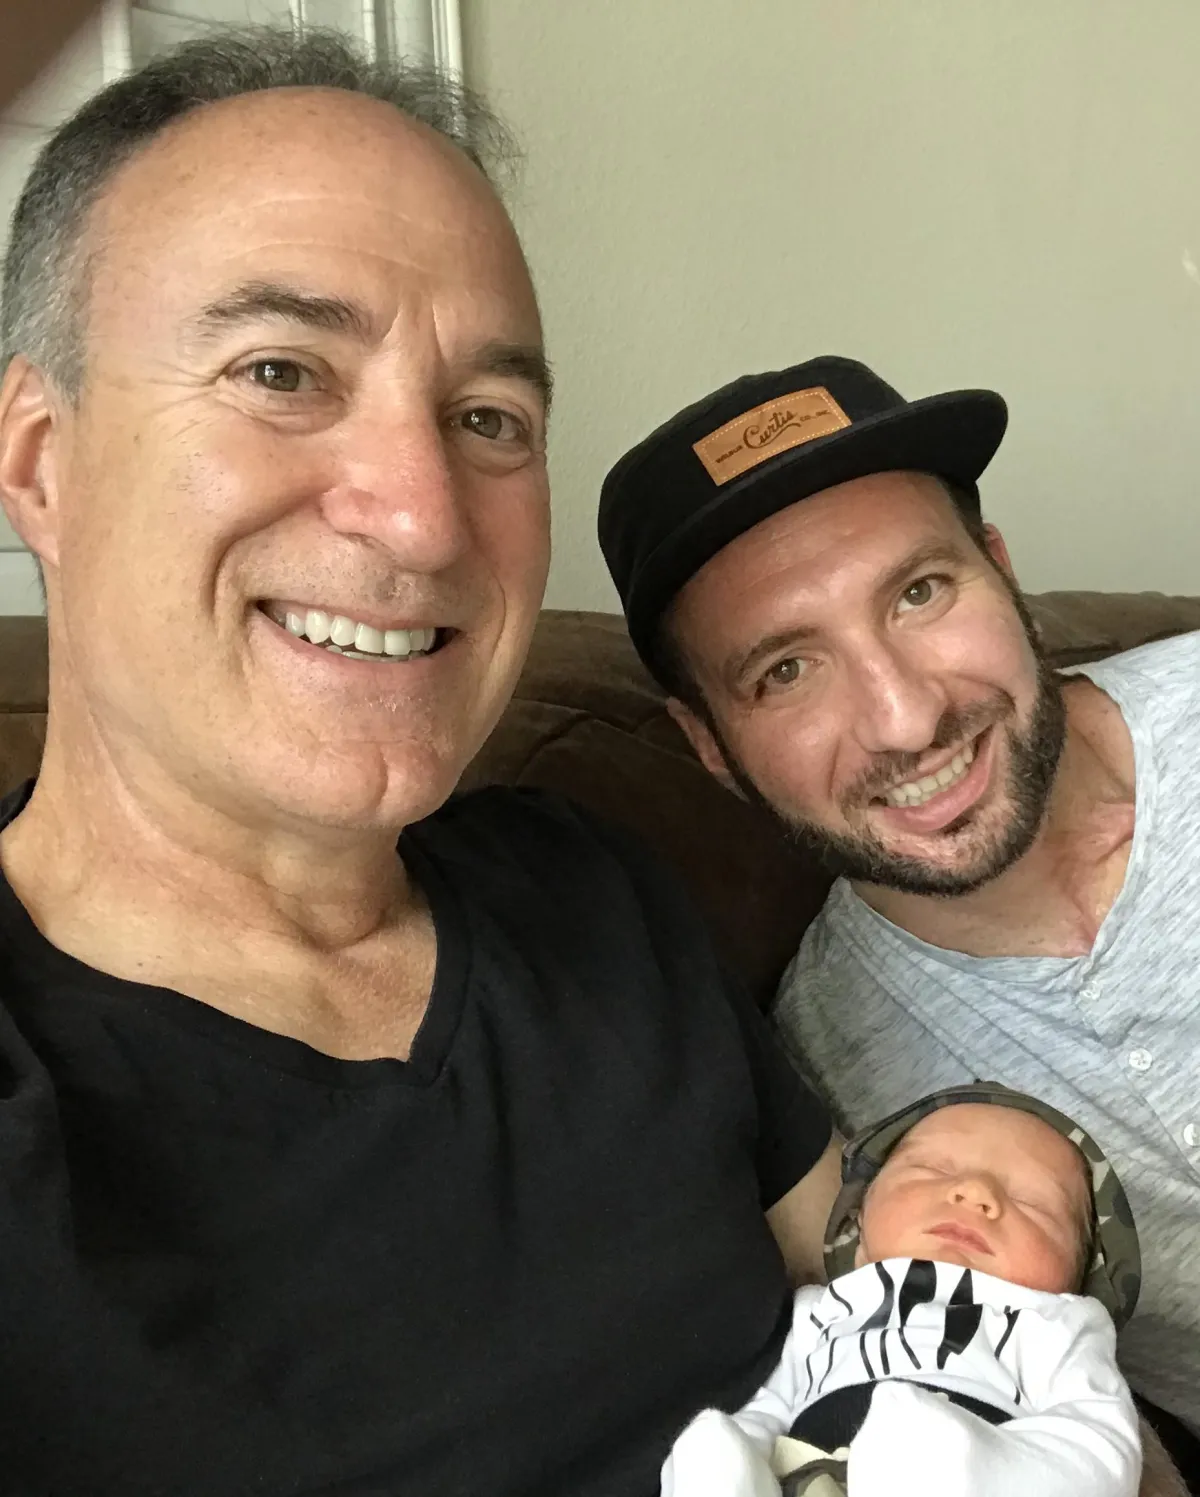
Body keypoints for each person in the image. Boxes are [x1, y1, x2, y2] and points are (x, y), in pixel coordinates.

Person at [0, 31, 843, 1494]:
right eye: (282, 372)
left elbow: (937, 1326)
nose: (425, 517)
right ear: (38, 461)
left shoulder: (586, 890)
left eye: (487, 420)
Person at [598, 356, 1200, 1471]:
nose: (907, 718)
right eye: (787, 670)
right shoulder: (832, 1093)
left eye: (920, 593)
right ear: (708, 746)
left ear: (1002, 571)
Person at [662, 1086, 1144, 1497]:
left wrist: (977, 1468)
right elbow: (773, 1405)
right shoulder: (821, 1310)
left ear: (1078, 1276)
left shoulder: (1055, 1323)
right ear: (858, 1230)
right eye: (932, 1168)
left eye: (1031, 1201)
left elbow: (1101, 1442)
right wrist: (739, 1450)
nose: (975, 1192)